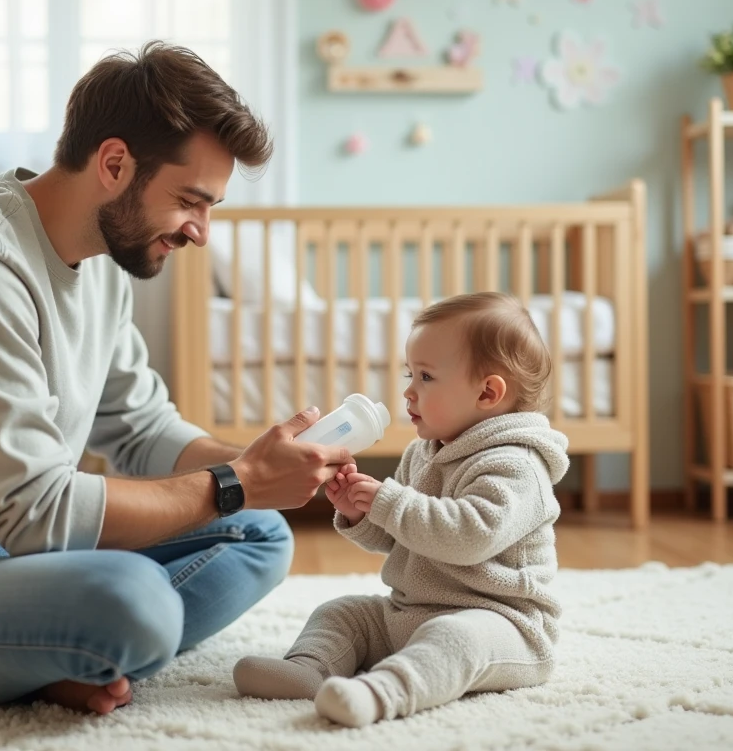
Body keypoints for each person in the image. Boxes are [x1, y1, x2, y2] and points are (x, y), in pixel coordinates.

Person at [0, 41, 353, 714]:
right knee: (135, 603)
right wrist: (237, 483)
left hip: (3, 564)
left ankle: (53, 653)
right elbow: (36, 512)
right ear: (114, 164)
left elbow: (143, 428)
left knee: (258, 530)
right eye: (191, 201)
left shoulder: (101, 264)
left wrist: (262, 468)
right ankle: (67, 644)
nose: (200, 232)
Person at [233, 292, 570, 727]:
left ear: (487, 392)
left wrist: (388, 502)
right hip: (409, 612)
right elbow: (400, 537)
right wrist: (359, 511)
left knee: (453, 639)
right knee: (343, 612)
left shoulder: (516, 464)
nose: (408, 391)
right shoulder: (423, 454)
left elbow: (471, 536)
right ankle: (308, 670)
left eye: (426, 377)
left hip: (501, 626)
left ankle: (380, 693)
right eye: (410, 374)